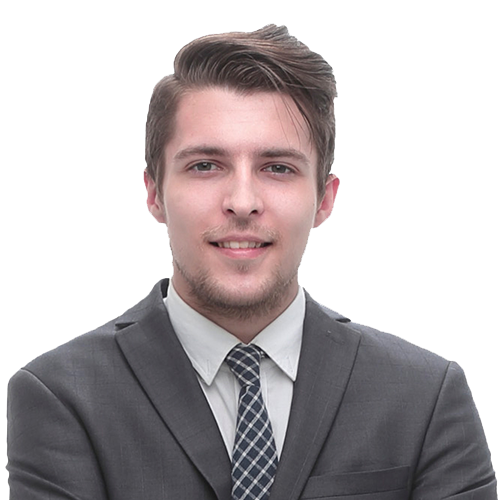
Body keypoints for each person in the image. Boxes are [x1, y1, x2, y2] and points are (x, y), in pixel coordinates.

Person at [6, 23, 496, 499]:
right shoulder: (62, 397)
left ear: (324, 199)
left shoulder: (424, 397)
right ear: (154, 193)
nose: (242, 202)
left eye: (277, 168)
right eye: (205, 165)